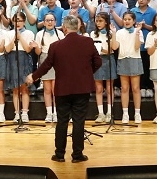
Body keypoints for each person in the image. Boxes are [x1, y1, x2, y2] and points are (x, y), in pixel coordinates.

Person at [27, 14, 101, 163]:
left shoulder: (56, 46)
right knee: (79, 121)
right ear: (78, 27)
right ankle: (77, 155)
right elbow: (98, 62)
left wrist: (33, 76)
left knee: (62, 121)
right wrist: (86, 73)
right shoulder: (87, 42)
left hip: (63, 89)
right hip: (82, 88)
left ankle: (59, 154)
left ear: (65, 28)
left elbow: (46, 65)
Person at [115, 10, 144, 123]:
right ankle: (125, 114)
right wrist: (113, 33)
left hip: (135, 59)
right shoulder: (119, 32)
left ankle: (137, 113)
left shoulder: (138, 32)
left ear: (134, 21)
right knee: (124, 88)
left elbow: (137, 47)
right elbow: (114, 47)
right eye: (125, 19)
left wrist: (137, 33)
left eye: (129, 19)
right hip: (123, 60)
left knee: (136, 88)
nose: (127, 21)